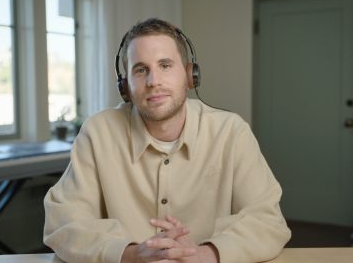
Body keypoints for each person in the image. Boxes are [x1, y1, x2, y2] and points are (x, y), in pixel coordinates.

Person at [43, 18, 291, 263]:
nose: (154, 81)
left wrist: (204, 256)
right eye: (141, 70)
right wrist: (131, 254)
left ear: (189, 75)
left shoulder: (231, 132)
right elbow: (63, 221)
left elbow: (268, 222)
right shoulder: (98, 132)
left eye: (165, 65)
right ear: (126, 86)